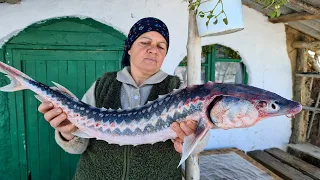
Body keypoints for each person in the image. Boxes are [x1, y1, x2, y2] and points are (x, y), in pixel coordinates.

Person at [38, 17, 209, 180]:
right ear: (129, 47)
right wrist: (67, 133)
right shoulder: (103, 84)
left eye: (161, 46)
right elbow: (78, 145)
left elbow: (198, 141)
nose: (153, 49)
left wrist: (190, 140)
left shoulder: (178, 89)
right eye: (145, 42)